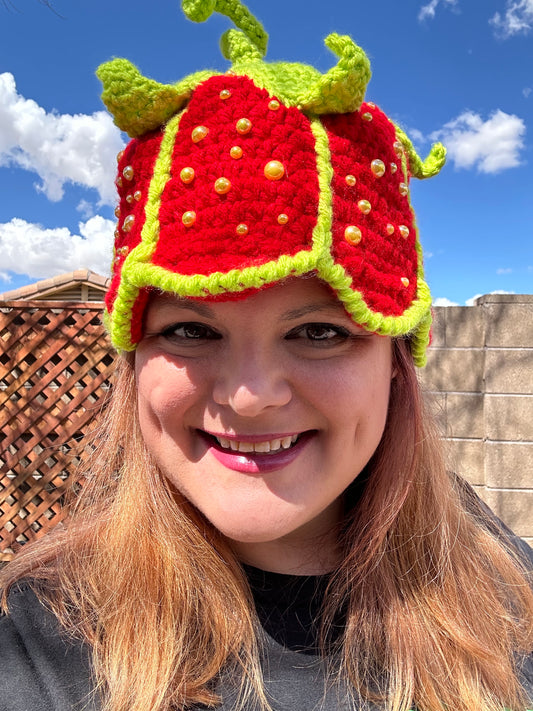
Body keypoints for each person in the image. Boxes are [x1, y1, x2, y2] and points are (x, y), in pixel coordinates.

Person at [1, 1, 532, 710]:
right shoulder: (42, 636)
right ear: (133, 361)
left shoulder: (510, 603)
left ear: (395, 363)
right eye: (190, 330)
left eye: (318, 332)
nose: (249, 396)